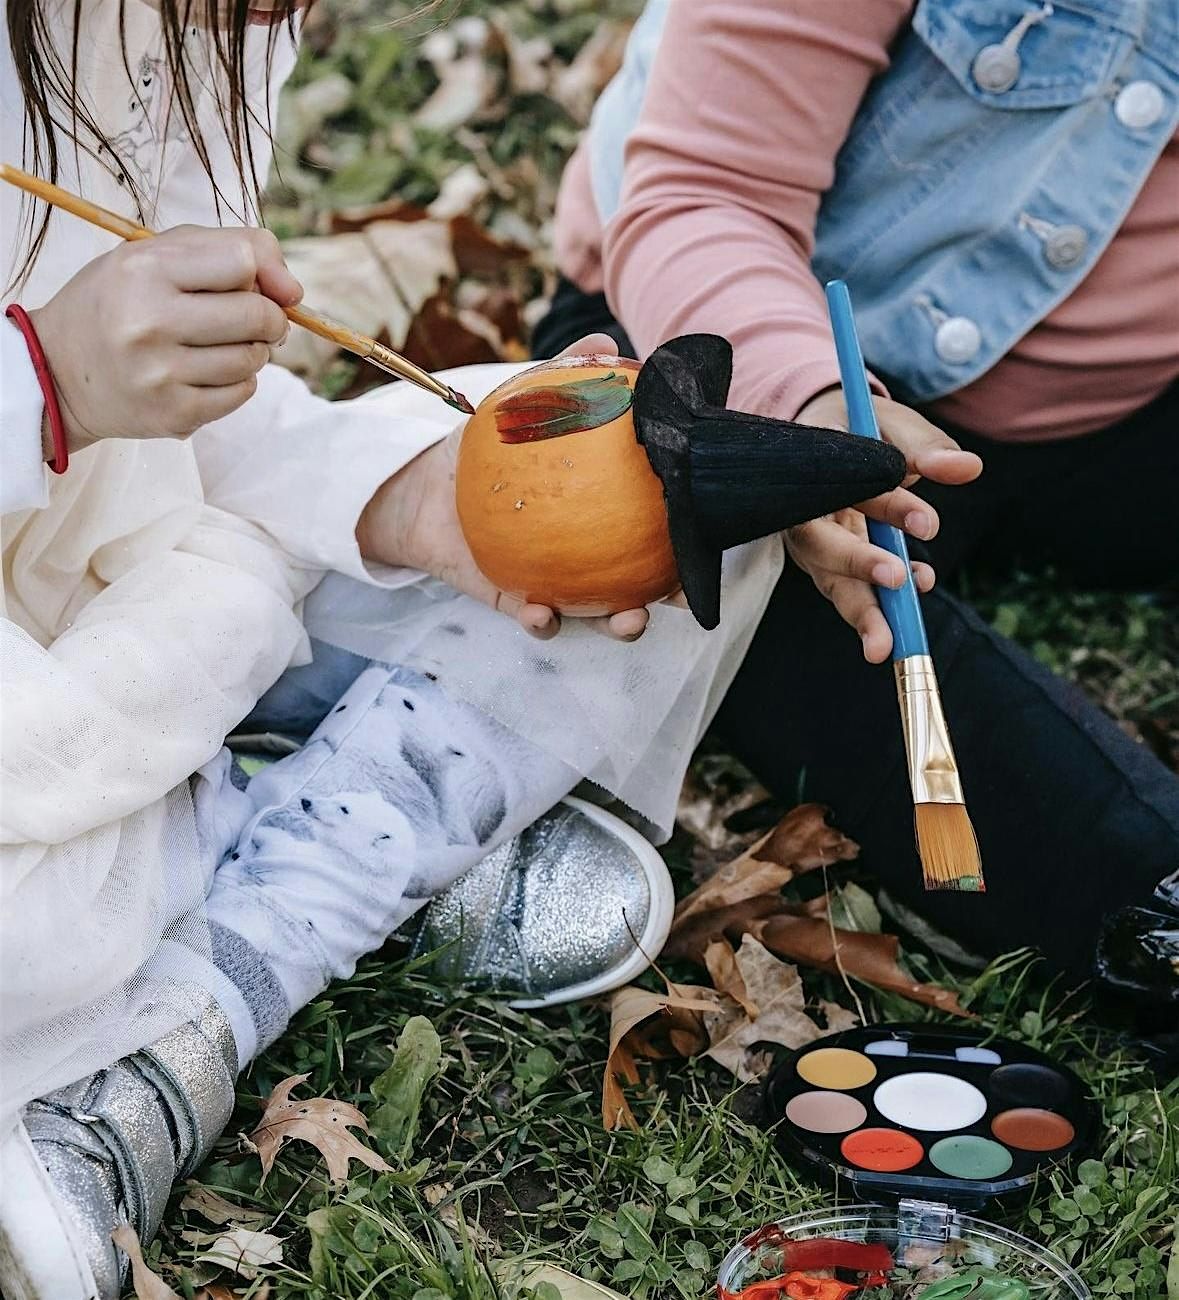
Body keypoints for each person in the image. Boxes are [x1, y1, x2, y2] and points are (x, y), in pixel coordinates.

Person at [0, 1, 901, 1292]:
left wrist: (429, 500)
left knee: (671, 498)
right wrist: (44, 384)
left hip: (140, 591)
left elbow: (197, 431)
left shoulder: (192, 26)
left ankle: (211, 950)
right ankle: (298, 864)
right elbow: (84, 388)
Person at [537, 0, 1179, 1013]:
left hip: (1104, 407)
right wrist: (809, 412)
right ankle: (1148, 908)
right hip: (740, 358)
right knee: (764, 596)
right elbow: (703, 195)